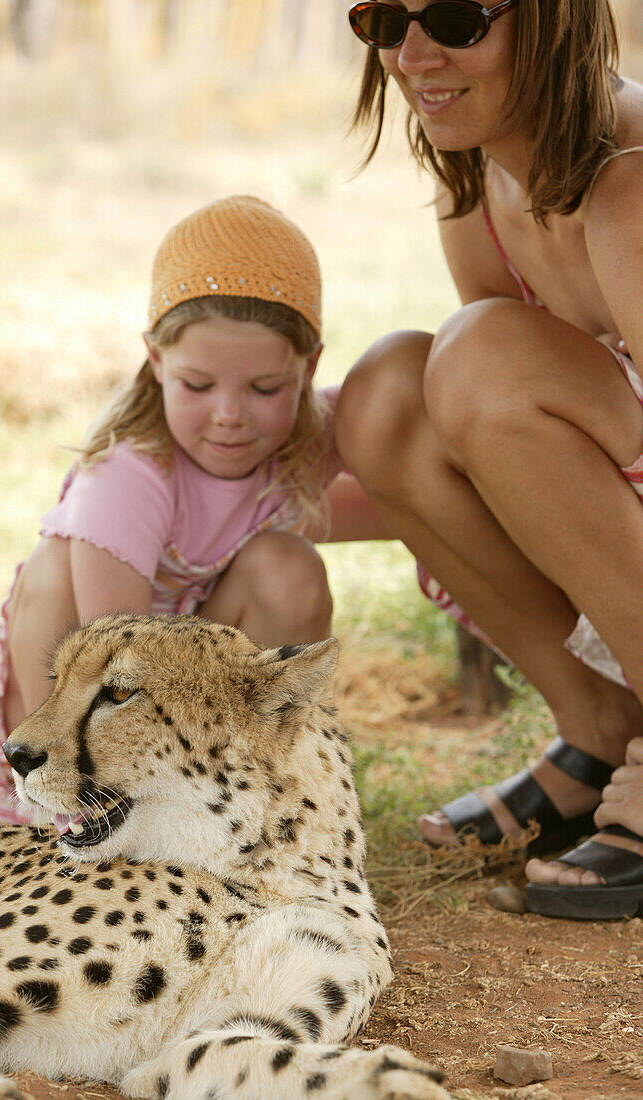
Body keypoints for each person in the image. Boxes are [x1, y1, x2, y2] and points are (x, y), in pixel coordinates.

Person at [337, 1, 643, 918]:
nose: (413, 55)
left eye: (459, 19)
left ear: (553, 23)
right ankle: (599, 729)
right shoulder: (472, 178)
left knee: (473, 354)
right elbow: (490, 440)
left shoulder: (630, 182)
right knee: (389, 391)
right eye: (386, 20)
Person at [0, 194, 386, 826]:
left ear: (307, 369)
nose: (229, 415)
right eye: (197, 385)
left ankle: (255, 793)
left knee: (287, 564)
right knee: (51, 564)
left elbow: (404, 501)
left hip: (185, 695)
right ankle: (71, 812)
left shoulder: (298, 441)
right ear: (157, 361)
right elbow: (113, 661)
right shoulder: (130, 476)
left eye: (266, 388)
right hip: (82, 699)